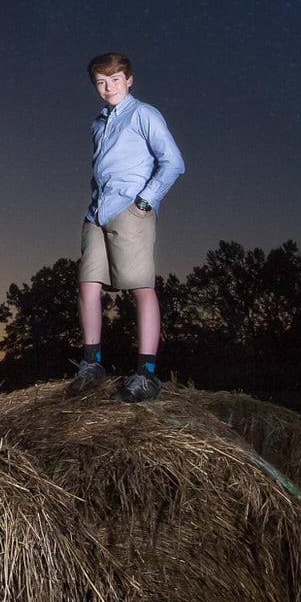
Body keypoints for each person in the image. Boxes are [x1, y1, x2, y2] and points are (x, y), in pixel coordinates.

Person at [73, 53, 183, 403]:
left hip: (130, 209)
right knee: (87, 284)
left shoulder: (144, 114)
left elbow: (173, 162)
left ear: (129, 80)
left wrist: (144, 202)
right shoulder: (98, 123)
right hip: (97, 213)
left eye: (115, 80)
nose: (109, 88)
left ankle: (146, 374)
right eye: (101, 82)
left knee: (140, 287)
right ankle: (92, 364)